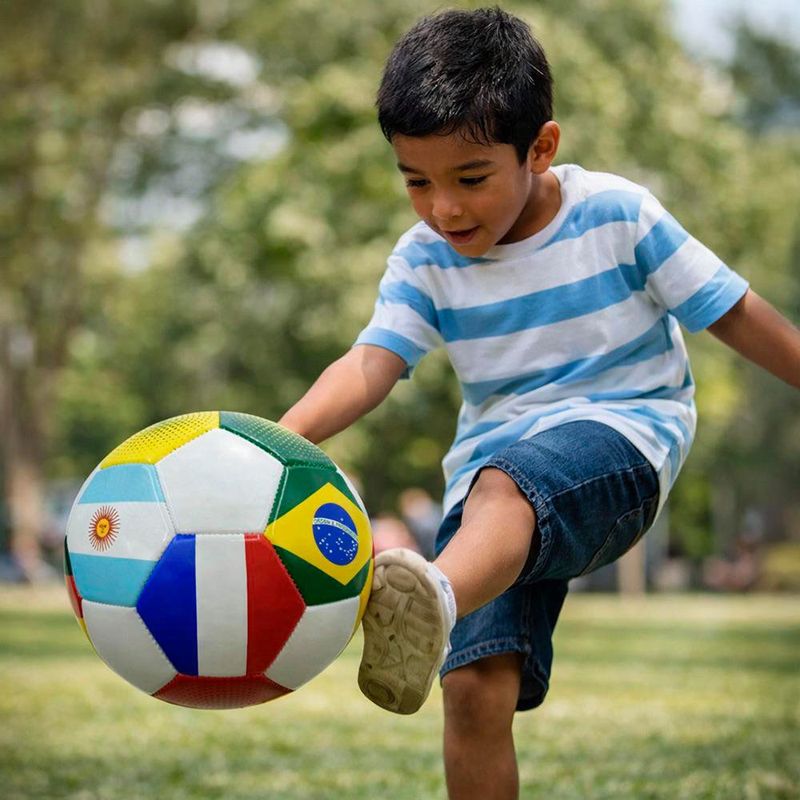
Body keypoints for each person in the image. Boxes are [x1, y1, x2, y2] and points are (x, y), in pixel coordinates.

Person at [279, 8, 800, 799]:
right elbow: (369, 363)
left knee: (507, 482)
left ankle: (433, 595)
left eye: (470, 179)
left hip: (621, 441)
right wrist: (277, 441)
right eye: (416, 182)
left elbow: (731, 310)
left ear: (541, 147)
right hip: (489, 497)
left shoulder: (617, 215)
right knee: (472, 690)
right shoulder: (424, 260)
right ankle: (439, 603)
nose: (444, 209)